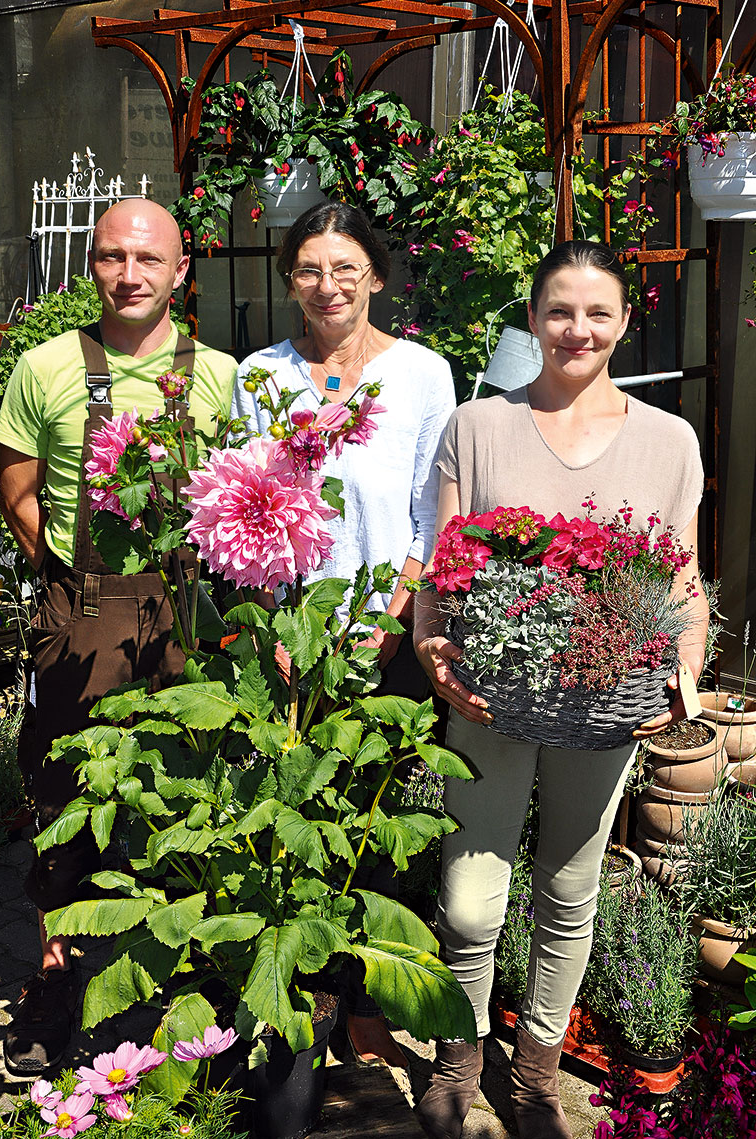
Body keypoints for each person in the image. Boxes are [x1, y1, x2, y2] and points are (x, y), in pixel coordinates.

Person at [412, 240, 708, 1139]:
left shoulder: (670, 440)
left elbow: (684, 578)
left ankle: (535, 1071)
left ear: (623, 322)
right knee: (470, 896)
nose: (576, 329)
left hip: (606, 705)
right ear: (533, 319)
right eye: (557, 311)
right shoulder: (478, 427)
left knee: (569, 888)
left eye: (596, 313)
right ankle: (458, 1051)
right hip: (492, 698)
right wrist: (431, 639)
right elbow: (446, 555)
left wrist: (685, 678)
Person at [0, 198, 237, 1076]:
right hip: (85, 601)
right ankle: (56, 976)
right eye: (110, 257)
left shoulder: (216, 375)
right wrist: (74, 589)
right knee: (63, 796)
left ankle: (175, 976)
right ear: (90, 266)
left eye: (147, 259)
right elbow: (17, 484)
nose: (128, 275)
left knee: (184, 787)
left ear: (180, 273)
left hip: (183, 607)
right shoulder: (45, 366)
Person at [234, 200, 456, 1068]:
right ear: (291, 279)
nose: (328, 288)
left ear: (376, 277)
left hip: (383, 633)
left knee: (373, 817)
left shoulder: (422, 374)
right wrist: (281, 628)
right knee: (292, 814)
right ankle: (299, 995)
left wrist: (394, 620)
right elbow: (253, 503)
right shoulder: (263, 374)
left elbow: (433, 514)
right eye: (310, 271)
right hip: (290, 633)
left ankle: (364, 1009)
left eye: (346, 270)